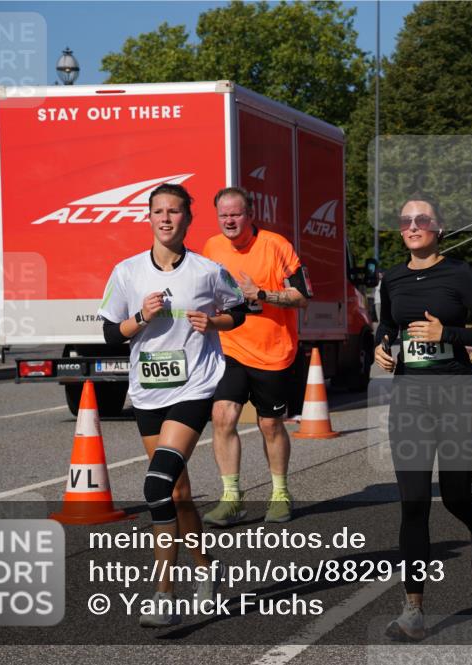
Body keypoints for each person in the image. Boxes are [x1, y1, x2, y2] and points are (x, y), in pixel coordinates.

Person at [98, 183, 245, 627]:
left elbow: (238, 310)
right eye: (158, 211)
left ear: (187, 219)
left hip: (194, 387)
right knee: (178, 493)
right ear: (148, 217)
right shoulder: (126, 272)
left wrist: (214, 320)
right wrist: (140, 318)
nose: (166, 218)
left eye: (175, 212)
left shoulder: (207, 270)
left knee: (156, 487)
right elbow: (109, 335)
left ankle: (164, 593)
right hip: (147, 392)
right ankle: (208, 568)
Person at [374, 195, 472, 641]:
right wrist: (382, 345)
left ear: (439, 227)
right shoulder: (391, 278)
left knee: (453, 494)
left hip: (457, 394)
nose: (412, 226)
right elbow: (388, 324)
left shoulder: (459, 274)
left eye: (422, 219)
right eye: (405, 220)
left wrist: (445, 333)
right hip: (410, 398)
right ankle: (413, 609)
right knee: (412, 502)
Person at [201, 187, 311, 527]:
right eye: (224, 216)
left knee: (270, 424)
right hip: (230, 347)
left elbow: (302, 296)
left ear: (250, 215)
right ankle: (231, 497)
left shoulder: (276, 246)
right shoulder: (212, 247)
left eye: (236, 214)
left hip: (273, 352)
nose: (229, 221)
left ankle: (280, 493)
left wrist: (262, 294)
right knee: (223, 416)